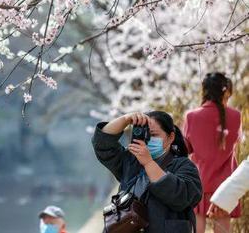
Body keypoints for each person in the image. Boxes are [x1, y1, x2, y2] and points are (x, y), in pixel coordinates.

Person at [92, 110, 202, 233]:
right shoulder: (130, 161)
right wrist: (126, 119)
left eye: (153, 135)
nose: (148, 140)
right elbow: (102, 144)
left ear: (171, 137)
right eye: (145, 135)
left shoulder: (183, 165)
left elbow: (183, 197)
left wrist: (149, 163)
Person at [183, 72, 242, 233]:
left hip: (200, 181)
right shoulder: (236, 116)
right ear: (225, 91)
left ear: (205, 91)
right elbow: (235, 142)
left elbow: (186, 148)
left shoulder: (192, 116)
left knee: (197, 229)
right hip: (226, 182)